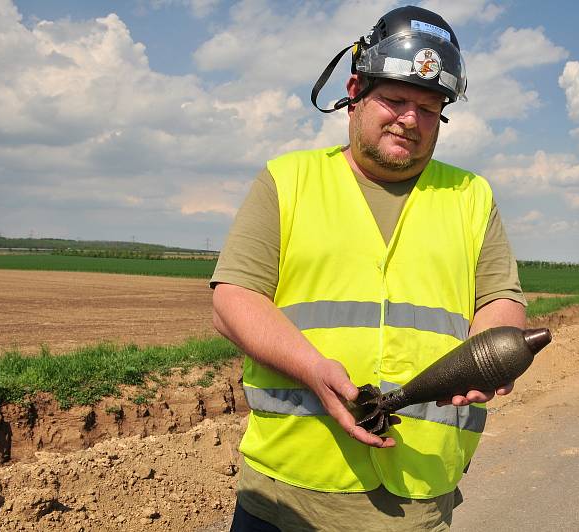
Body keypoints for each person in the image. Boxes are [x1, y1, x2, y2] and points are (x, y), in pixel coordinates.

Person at [210, 6, 527, 531]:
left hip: (418, 493)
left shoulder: (472, 195)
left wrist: (490, 353)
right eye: (396, 100)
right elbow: (233, 300)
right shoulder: (288, 180)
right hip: (288, 492)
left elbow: (501, 299)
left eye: (430, 108)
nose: (410, 120)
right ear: (354, 92)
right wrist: (314, 369)